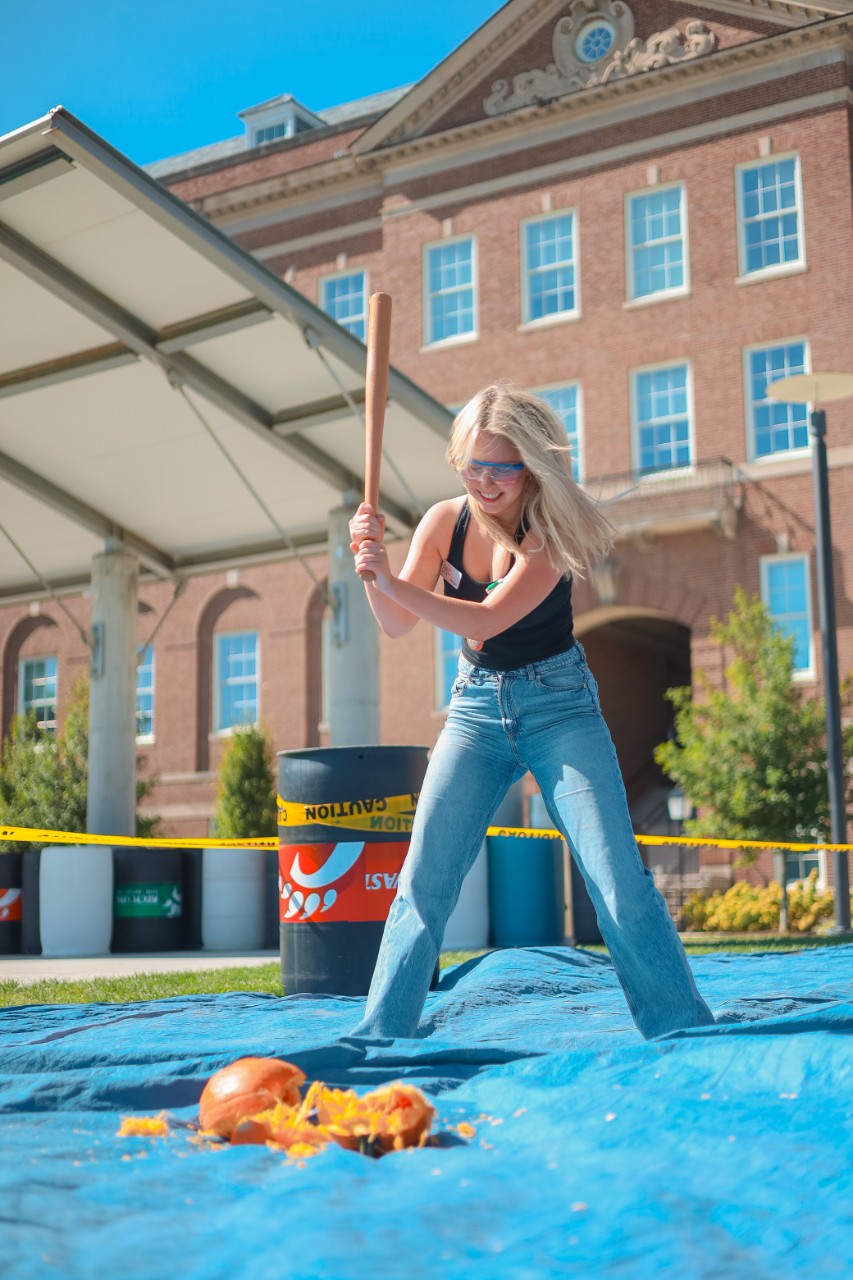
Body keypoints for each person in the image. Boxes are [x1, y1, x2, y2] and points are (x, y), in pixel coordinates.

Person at [348, 383, 714, 1040]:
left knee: (616, 885)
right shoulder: (442, 522)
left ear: (531, 467)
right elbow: (399, 623)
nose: (485, 482)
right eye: (472, 465)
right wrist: (372, 573)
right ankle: (380, 1036)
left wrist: (394, 580)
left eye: (501, 467)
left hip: (559, 708)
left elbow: (486, 619)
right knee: (422, 881)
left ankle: (681, 1028)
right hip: (474, 712)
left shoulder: (544, 532)